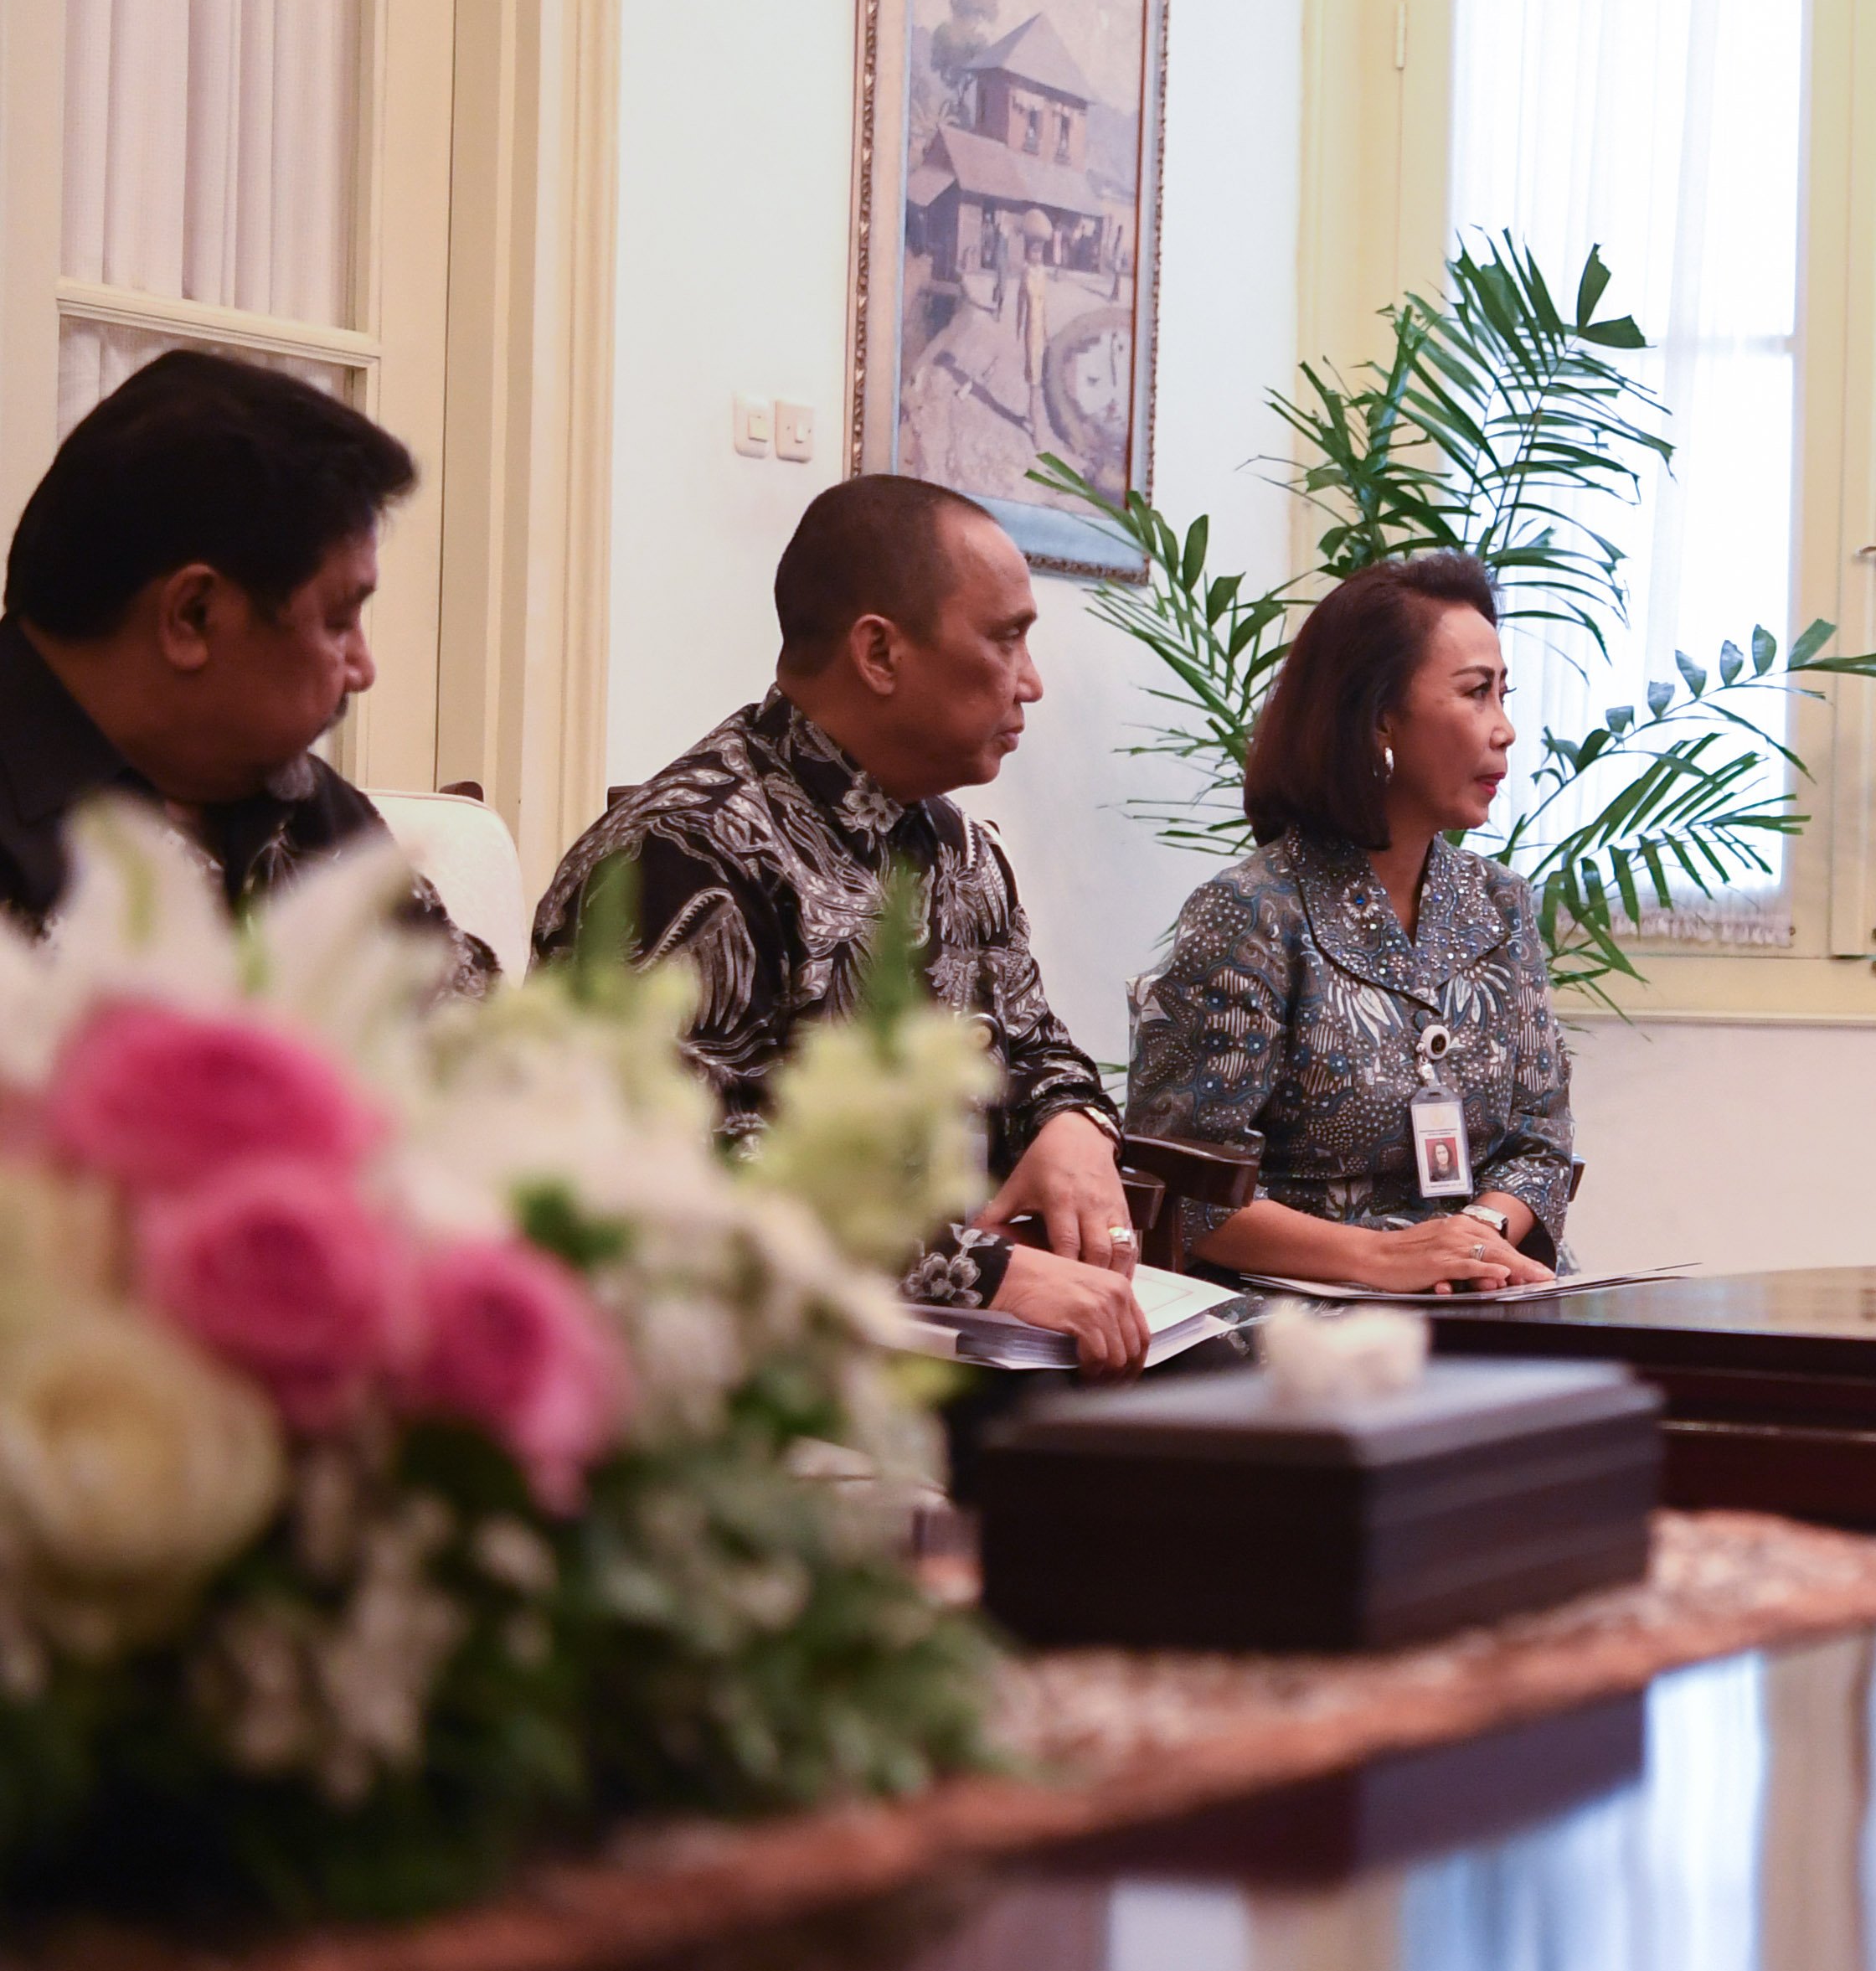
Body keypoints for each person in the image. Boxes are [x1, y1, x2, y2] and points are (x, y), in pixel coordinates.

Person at [531, 477, 1144, 1370]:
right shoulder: (687, 851)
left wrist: (1075, 1126)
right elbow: (670, 1165)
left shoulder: (952, 844)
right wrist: (982, 1277)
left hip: (965, 1344)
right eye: (1007, 638)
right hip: (751, 1364)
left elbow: (1038, 1046)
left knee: (1241, 1402)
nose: (1033, 684)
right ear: (881, 654)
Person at [1125, 554, 1572, 1291]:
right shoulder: (1252, 912)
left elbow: (1541, 1143)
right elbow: (1187, 1190)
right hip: (1305, 1320)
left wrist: (1476, 1241)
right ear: (1378, 719)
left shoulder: (1500, 904)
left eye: (1503, 694)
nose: (1506, 730)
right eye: (1475, 694)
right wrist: (1383, 1261)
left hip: (1481, 1296)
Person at [0, 350, 487, 979]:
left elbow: (479, 1052)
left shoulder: (311, 811)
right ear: (194, 615)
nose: (363, 670)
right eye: (338, 621)